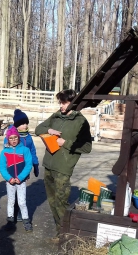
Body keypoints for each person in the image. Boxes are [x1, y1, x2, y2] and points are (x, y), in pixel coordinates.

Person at [34, 89, 92, 240]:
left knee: (62, 202)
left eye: (64, 102)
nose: (61, 106)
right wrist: (49, 129)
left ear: (73, 102)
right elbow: (38, 129)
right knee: (52, 202)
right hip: (48, 165)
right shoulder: (56, 116)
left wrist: (65, 142)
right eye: (60, 102)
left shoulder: (81, 122)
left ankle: (67, 234)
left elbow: (87, 147)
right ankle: (60, 232)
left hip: (63, 168)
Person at [3, 109, 39, 222]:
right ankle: (12, 212)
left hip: (24, 168)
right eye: (23, 123)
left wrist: (35, 164)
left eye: (26, 123)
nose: (26, 125)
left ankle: (18, 211)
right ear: (17, 125)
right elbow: (5, 152)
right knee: (12, 191)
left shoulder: (28, 137)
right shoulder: (11, 136)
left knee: (21, 190)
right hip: (13, 168)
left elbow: (32, 151)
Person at [0, 126, 33, 232]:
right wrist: (9, 178)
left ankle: (26, 221)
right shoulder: (4, 152)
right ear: (8, 139)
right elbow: (2, 167)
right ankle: (10, 220)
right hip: (10, 181)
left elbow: (28, 165)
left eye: (15, 138)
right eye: (11, 138)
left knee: (22, 202)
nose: (13, 140)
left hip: (20, 181)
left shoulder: (25, 150)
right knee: (11, 201)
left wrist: (20, 177)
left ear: (18, 138)